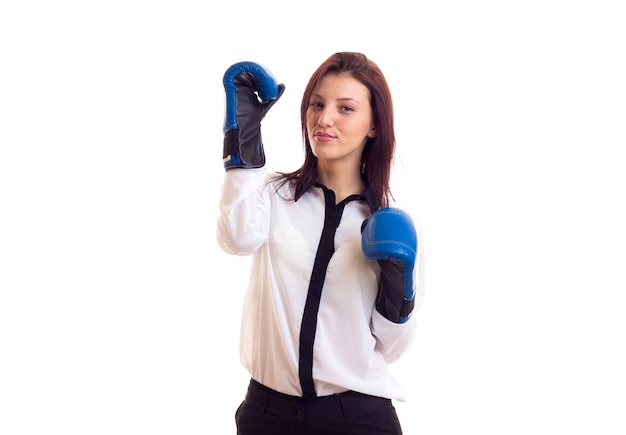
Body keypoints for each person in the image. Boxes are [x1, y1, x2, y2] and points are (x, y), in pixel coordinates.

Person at [216, 52, 425, 435]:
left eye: (345, 108)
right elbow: (236, 237)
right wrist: (242, 137)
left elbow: (390, 349)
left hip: (357, 418)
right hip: (266, 415)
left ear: (374, 125)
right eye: (317, 103)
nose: (324, 119)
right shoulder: (274, 195)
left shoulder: (386, 224)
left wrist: (398, 284)